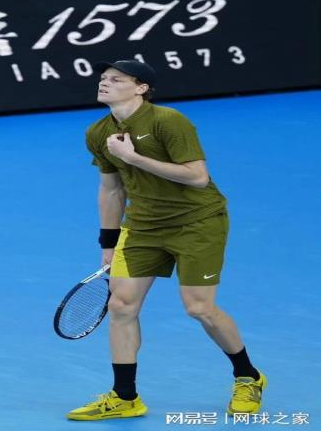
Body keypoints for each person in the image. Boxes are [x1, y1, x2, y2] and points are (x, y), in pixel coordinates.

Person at [66, 60, 267, 421]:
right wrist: (108, 243)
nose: (104, 83)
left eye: (116, 79)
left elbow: (197, 177)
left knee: (200, 308)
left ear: (141, 88)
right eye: (103, 79)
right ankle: (125, 396)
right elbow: (111, 189)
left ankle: (248, 376)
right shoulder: (98, 133)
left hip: (197, 222)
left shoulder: (168, 121)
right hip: (142, 227)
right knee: (121, 305)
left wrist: (132, 157)